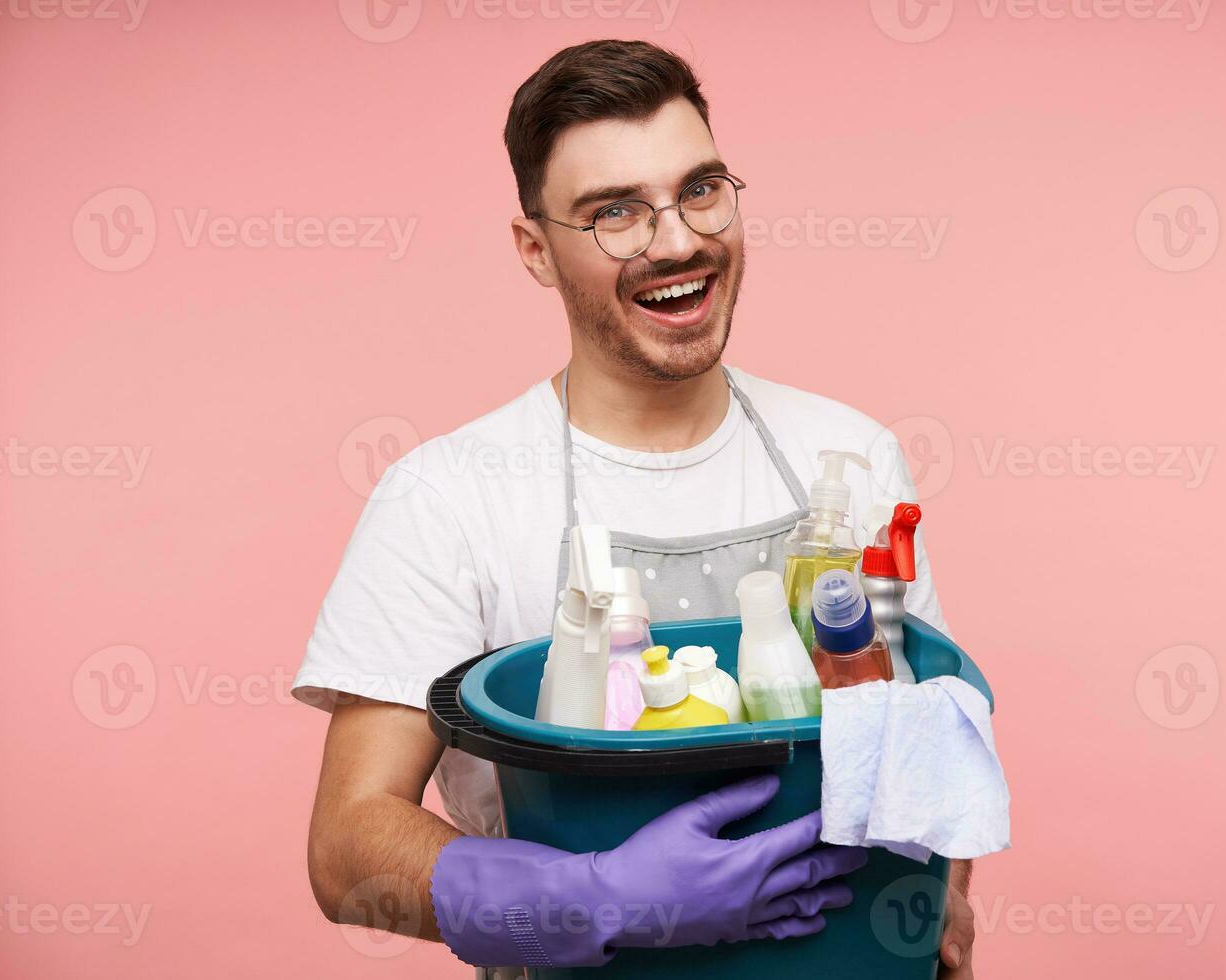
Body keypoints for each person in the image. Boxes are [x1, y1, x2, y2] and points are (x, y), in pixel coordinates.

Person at [294, 39, 976, 978]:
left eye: (701, 188)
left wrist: (937, 911)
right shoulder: (445, 498)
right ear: (536, 251)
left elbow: (929, 726)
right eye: (614, 212)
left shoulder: (851, 456)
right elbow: (347, 846)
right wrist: (604, 898)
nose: (678, 240)